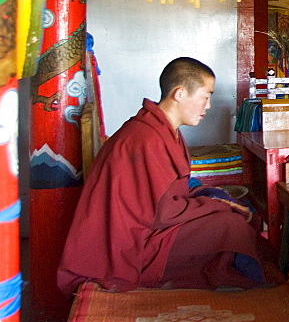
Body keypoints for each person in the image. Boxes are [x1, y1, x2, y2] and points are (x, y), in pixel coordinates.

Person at [58, 57, 267, 295]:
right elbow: (161, 212)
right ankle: (226, 277)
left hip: (151, 223)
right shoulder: (146, 138)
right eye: (205, 96)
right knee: (230, 224)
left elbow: (169, 193)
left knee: (229, 210)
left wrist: (209, 200)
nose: (207, 106)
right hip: (133, 242)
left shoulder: (160, 128)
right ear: (179, 94)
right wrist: (212, 204)